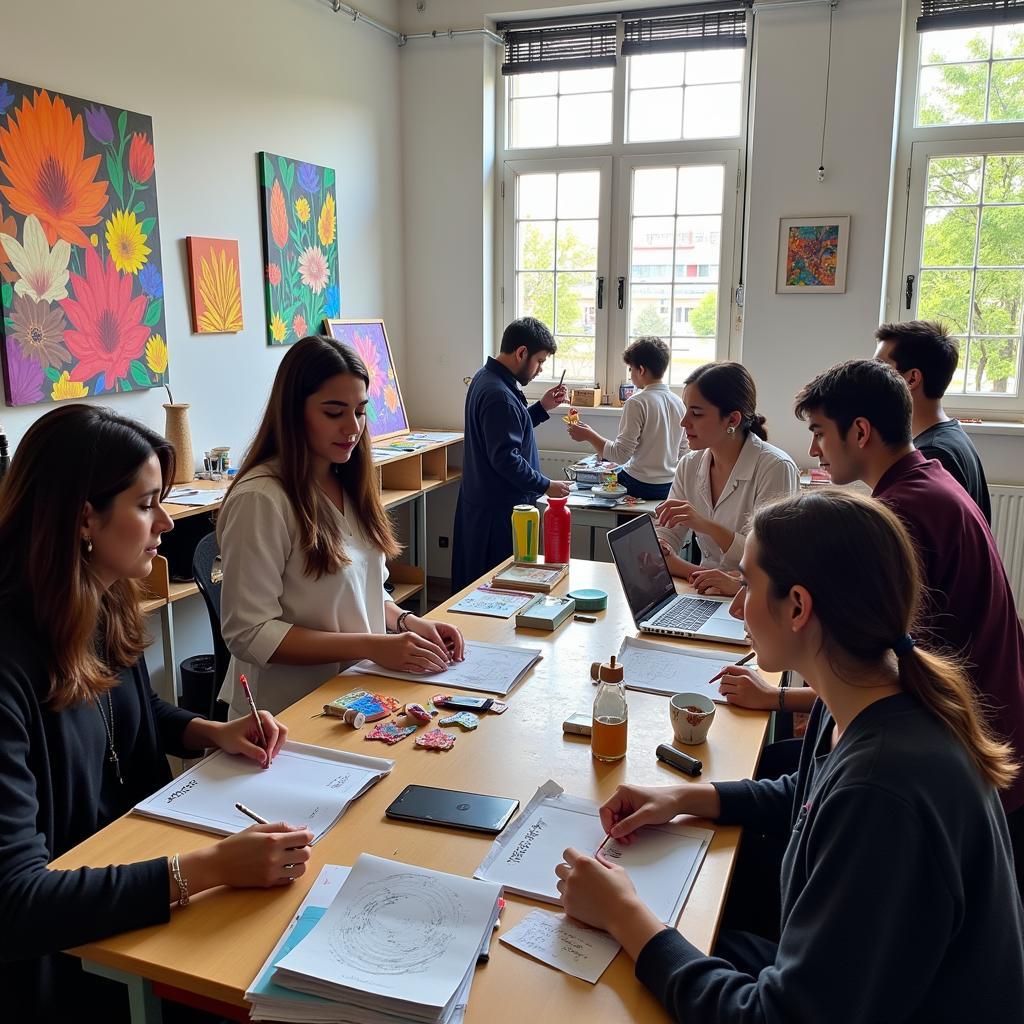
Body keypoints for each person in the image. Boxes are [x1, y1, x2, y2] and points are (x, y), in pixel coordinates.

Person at [556, 490, 1024, 1023]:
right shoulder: (856, 693)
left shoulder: (884, 789)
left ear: (799, 607)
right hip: (852, 988)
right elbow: (805, 795)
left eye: (749, 585)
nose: (737, 605)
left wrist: (623, 914)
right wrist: (685, 796)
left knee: (627, 967)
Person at [0, 405, 312, 1022]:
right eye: (146, 505)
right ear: (83, 517)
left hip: (135, 882)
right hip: (67, 960)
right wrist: (205, 869)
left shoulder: (100, 598)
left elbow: (131, 709)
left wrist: (211, 730)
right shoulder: (10, 661)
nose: (167, 523)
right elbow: (15, 902)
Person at [787, 357, 1024, 889]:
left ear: (861, 432)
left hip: (965, 751)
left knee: (780, 774)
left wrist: (788, 700)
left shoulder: (903, 514)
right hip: (977, 729)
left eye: (820, 433)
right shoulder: (926, 479)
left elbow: (891, 670)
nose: (814, 449)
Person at [217, 335, 464, 717]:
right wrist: (371, 645)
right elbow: (249, 633)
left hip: (357, 695)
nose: (352, 427)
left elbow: (363, 591)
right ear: (293, 412)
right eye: (334, 413)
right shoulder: (262, 499)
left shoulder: (348, 481)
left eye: (360, 411)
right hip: (288, 713)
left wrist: (407, 621)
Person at [655, 362, 798, 593]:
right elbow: (667, 535)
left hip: (757, 601)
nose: (684, 422)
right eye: (685, 409)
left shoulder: (775, 467)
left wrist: (706, 526)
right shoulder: (689, 465)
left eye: (697, 413)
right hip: (703, 593)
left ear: (732, 420)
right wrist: (663, 547)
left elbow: (774, 561)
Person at [451, 317, 569, 592]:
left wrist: (541, 408)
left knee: (482, 586)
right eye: (539, 361)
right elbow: (506, 458)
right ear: (521, 353)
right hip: (498, 515)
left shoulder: (487, 379)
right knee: (497, 591)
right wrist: (546, 485)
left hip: (485, 505)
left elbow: (506, 429)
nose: (539, 370)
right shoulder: (498, 395)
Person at [874, 319, 991, 521]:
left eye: (880, 369)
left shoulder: (934, 455)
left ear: (911, 379)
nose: (872, 377)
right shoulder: (952, 435)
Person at [566, 336, 685, 500]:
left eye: (630, 369)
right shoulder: (678, 401)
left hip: (640, 485)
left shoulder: (637, 401)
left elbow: (620, 455)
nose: (630, 374)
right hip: (669, 486)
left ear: (641, 370)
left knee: (591, 482)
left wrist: (589, 435)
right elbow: (684, 451)